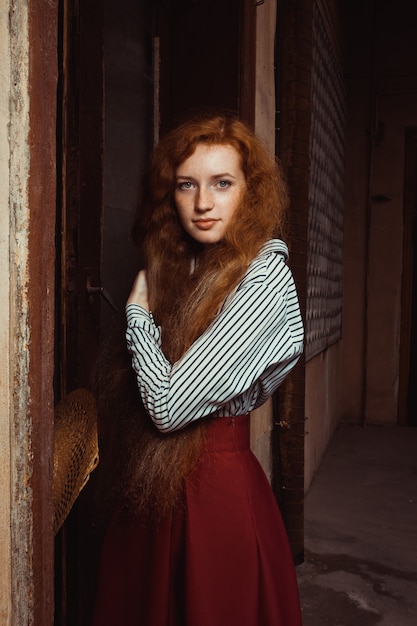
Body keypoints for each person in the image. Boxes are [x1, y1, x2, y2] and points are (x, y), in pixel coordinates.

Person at [93, 114, 304, 625]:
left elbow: (167, 406)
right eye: (187, 185)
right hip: (154, 489)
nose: (203, 203)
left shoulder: (263, 275)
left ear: (250, 193)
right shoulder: (189, 263)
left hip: (215, 493)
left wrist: (138, 312)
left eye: (222, 184)